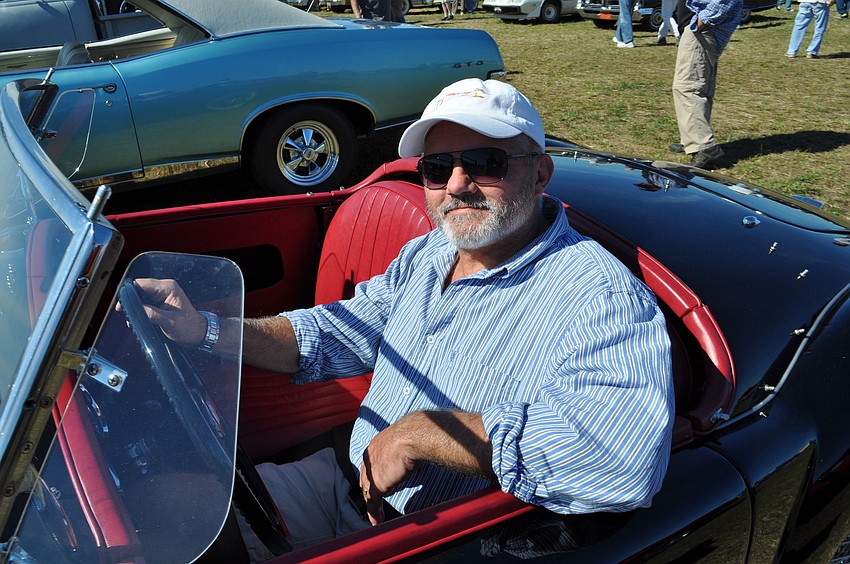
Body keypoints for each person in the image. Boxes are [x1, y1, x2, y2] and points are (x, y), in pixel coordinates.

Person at [136, 78, 675, 561]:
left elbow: (619, 462)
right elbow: (335, 334)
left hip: (423, 539)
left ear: (539, 173)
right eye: (437, 169)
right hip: (346, 483)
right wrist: (203, 329)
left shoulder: (597, 295)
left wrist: (420, 436)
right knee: (153, 507)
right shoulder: (427, 253)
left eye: (485, 163)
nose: (457, 185)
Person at [669, 0, 742, 169]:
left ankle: (703, 145)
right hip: (700, 28)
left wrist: (702, 21)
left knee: (688, 87)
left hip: (702, 29)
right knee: (700, 87)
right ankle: (692, 139)